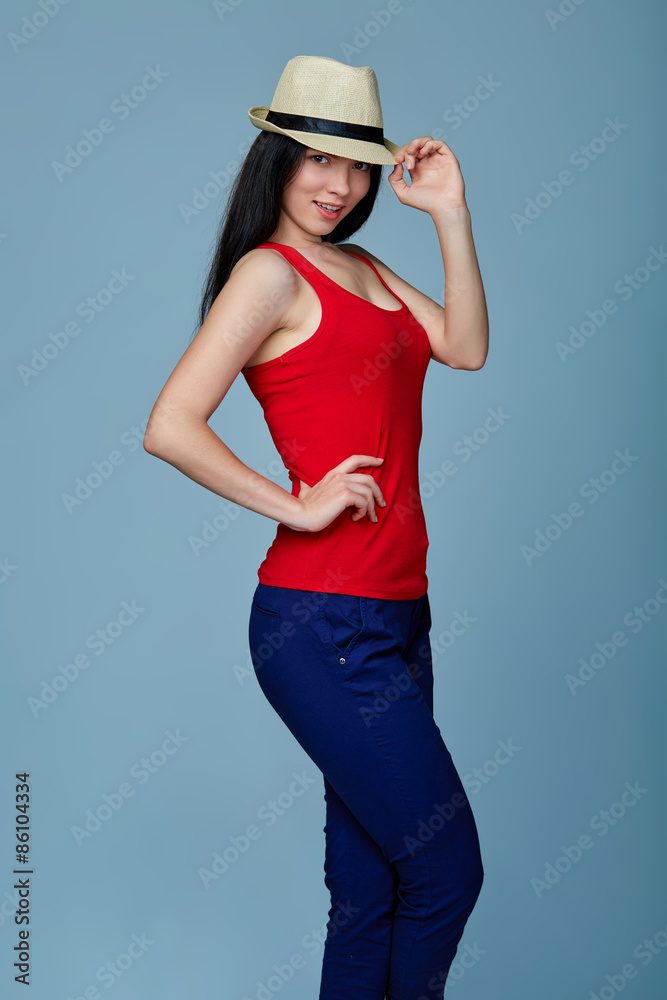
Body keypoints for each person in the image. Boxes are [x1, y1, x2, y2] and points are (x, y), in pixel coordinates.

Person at [144, 54, 489, 1000]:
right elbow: (168, 424)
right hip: (322, 625)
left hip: (397, 615)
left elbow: (464, 347)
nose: (338, 184)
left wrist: (450, 212)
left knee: (372, 891)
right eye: (315, 159)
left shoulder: (364, 266)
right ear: (277, 160)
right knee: (446, 874)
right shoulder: (270, 274)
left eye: (357, 164)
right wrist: (295, 503)